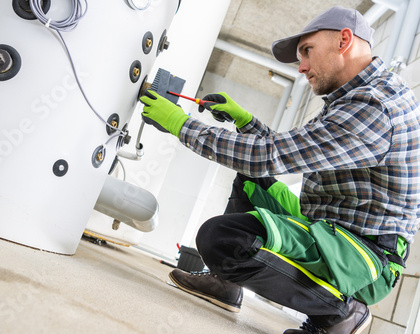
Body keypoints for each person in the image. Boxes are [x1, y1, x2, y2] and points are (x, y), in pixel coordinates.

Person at [139, 6, 420, 334]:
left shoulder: (373, 108)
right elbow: (289, 151)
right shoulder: (352, 99)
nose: (301, 67)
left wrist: (180, 124)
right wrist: (245, 122)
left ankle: (340, 314)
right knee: (252, 180)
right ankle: (226, 283)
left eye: (306, 51)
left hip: (366, 257)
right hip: (330, 227)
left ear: (344, 40)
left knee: (221, 239)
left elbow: (270, 156)